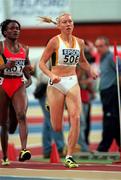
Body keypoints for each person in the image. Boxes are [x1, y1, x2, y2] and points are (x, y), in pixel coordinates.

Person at [39, 13, 98, 168]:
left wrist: (91, 70)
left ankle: (70, 156)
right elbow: (41, 64)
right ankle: (51, 105)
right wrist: (52, 75)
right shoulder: (54, 42)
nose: (68, 24)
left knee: (76, 117)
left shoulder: (80, 42)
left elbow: (82, 61)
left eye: (70, 21)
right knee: (57, 127)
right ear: (59, 25)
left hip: (72, 82)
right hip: (56, 83)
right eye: (64, 22)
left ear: (73, 24)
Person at [0, 19, 32, 165]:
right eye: (12, 28)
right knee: (5, 123)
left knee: (22, 115)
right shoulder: (0, 47)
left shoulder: (25, 48)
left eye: (18, 28)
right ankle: (5, 155)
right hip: (3, 83)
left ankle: (24, 150)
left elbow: (27, 68)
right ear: (5, 32)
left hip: (18, 83)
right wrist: (4, 66)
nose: (15, 30)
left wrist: (30, 77)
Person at [95, 36, 121, 152]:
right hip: (105, 92)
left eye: (100, 46)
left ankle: (104, 146)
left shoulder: (112, 57)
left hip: (112, 91)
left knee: (110, 119)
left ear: (107, 46)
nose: (98, 48)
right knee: (114, 119)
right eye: (97, 46)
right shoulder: (103, 58)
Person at [33, 60, 65, 158]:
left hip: (46, 92)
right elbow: (43, 77)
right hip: (48, 92)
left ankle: (47, 149)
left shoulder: (40, 58)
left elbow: (35, 73)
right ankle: (59, 147)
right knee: (54, 120)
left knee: (47, 122)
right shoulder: (49, 59)